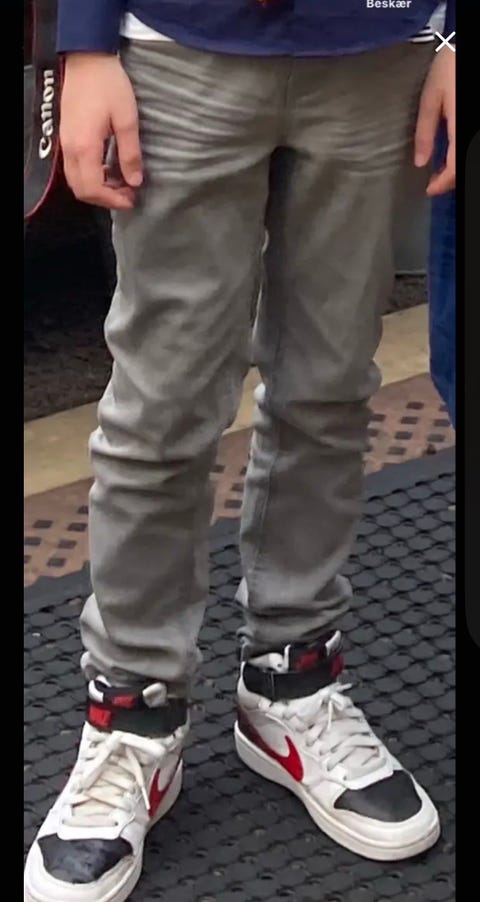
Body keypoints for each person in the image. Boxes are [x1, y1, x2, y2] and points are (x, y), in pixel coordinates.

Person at [25, 2, 455, 899]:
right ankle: (133, 712)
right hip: (178, 44)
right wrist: (86, 41)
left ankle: (291, 681)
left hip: (383, 46)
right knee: (161, 407)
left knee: (330, 388)